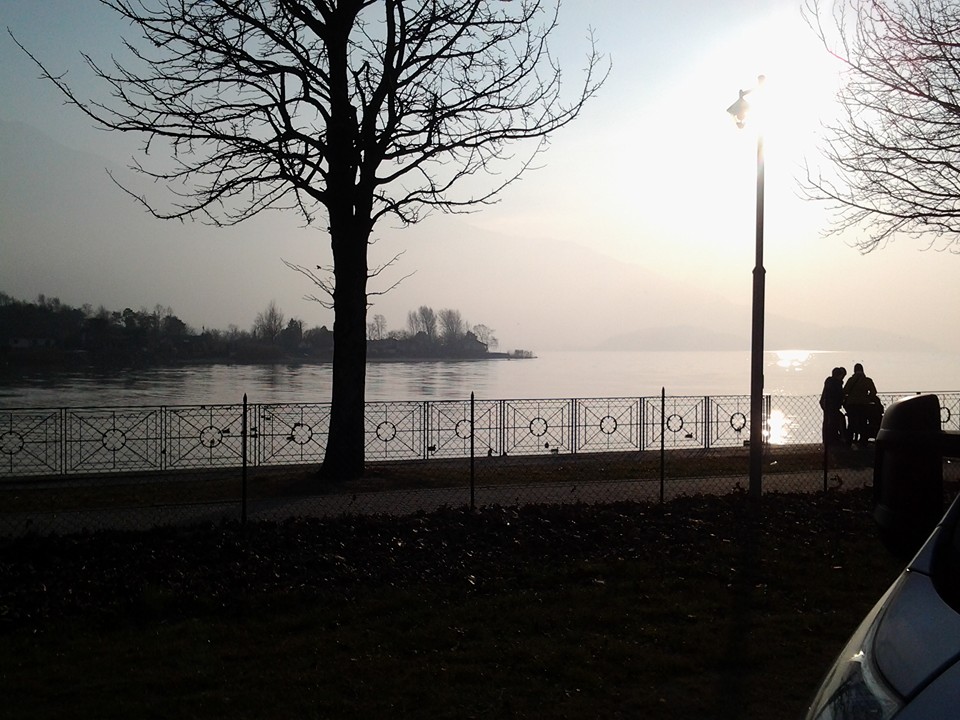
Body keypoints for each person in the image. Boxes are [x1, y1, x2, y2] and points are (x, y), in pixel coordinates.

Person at [843, 362, 880, 445]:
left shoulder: (851, 380)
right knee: (863, 422)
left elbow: (845, 391)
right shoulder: (868, 380)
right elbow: (874, 392)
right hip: (863, 404)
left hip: (852, 404)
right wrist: (868, 398)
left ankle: (849, 440)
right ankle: (863, 441)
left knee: (851, 423)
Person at [820, 366, 847, 446]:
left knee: (828, 422)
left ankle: (827, 439)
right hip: (832, 405)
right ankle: (835, 438)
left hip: (827, 404)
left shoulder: (829, 382)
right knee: (835, 421)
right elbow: (839, 395)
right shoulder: (836, 384)